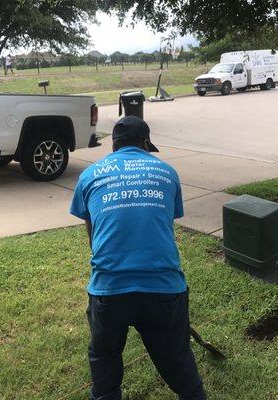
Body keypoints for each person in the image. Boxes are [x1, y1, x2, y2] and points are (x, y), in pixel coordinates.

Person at [70, 116, 206, 400]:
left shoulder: (90, 175)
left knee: (104, 356)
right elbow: (164, 222)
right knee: (178, 359)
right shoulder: (167, 172)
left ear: (114, 146)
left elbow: (92, 235)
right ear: (145, 144)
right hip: (164, 290)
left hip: (109, 291)